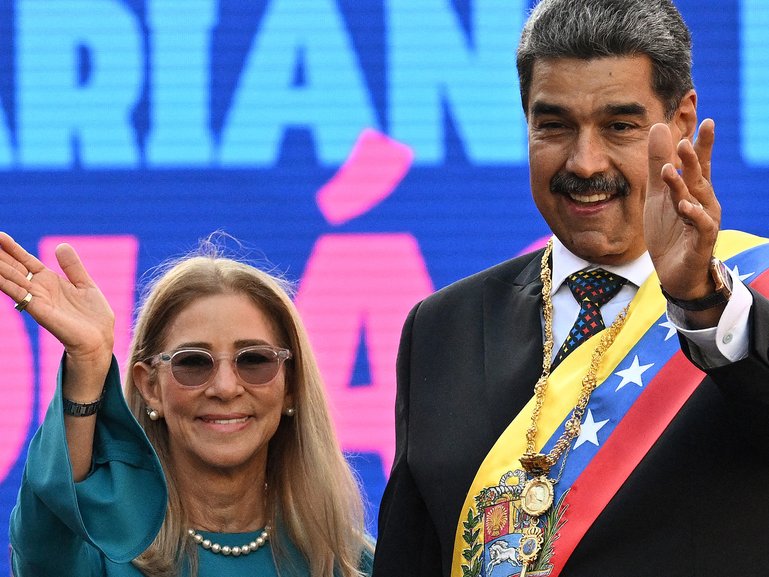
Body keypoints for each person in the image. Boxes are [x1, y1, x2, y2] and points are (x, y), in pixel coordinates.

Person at [373, 1, 769, 576]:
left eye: (620, 126)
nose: (584, 163)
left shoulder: (748, 298)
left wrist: (700, 302)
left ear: (681, 122)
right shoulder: (441, 326)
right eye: (554, 125)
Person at [0, 232, 374, 577]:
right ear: (150, 388)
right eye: (193, 362)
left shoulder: (349, 563)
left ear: (290, 385)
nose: (226, 388)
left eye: (254, 360)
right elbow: (45, 536)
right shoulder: (99, 555)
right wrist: (88, 362)